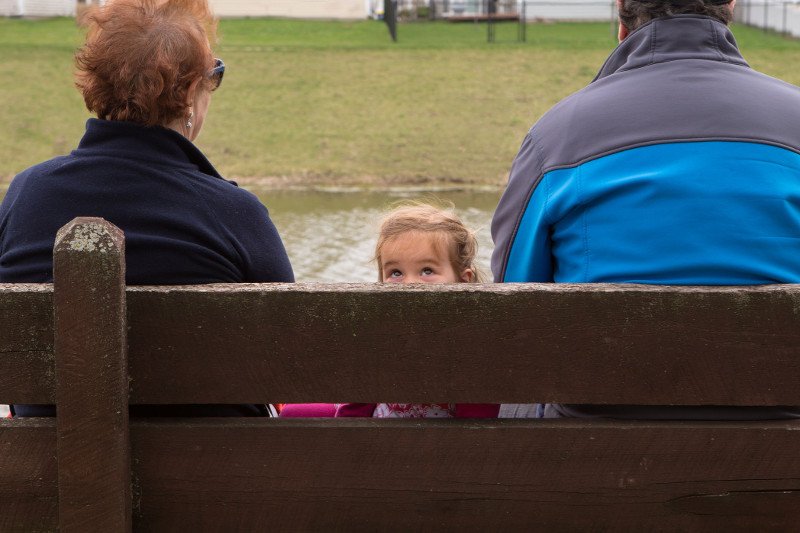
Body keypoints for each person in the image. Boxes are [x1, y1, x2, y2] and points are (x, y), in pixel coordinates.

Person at [491, 0, 800, 419]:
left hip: (596, 441)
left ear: (621, 10)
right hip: (783, 435)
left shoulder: (558, 133)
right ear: (730, 4)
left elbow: (514, 305)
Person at [0, 0, 294, 417]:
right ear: (191, 94)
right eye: (215, 75)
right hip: (217, 473)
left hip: (48, 474)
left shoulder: (26, 195)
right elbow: (292, 360)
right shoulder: (235, 213)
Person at [335, 203, 499, 419]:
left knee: (295, 412)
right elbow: (478, 425)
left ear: (462, 280)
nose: (410, 284)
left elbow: (354, 411)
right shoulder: (476, 339)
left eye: (427, 270)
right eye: (396, 273)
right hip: (444, 446)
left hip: (382, 443)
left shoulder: (378, 335)